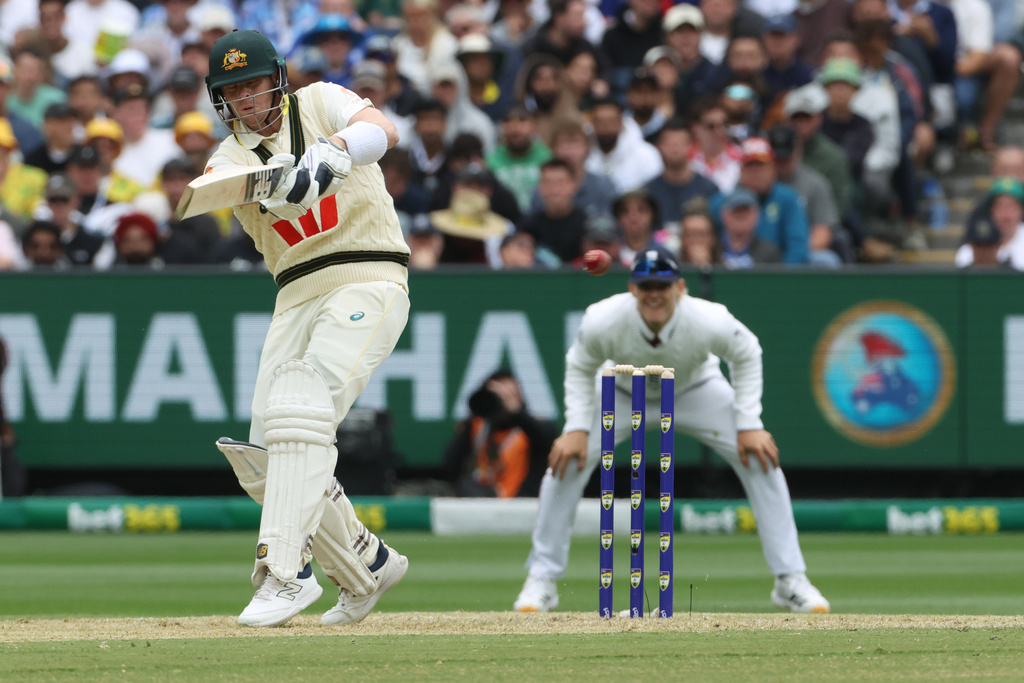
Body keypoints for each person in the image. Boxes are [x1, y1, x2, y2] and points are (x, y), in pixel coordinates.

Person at [203, 29, 411, 628]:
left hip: (368, 272)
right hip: (294, 294)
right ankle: (366, 565)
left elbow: (384, 130)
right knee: (267, 454)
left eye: (252, 85)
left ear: (277, 79)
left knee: (303, 411)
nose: (244, 100)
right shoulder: (229, 158)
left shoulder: (320, 101)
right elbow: (220, 193)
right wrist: (289, 178)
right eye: (230, 91)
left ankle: (285, 572)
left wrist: (337, 149)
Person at [512, 246, 830, 614]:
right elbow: (580, 365)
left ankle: (790, 579)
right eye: (645, 284)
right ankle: (542, 580)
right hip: (622, 389)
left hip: (693, 388)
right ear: (632, 288)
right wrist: (577, 428)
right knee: (564, 463)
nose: (653, 293)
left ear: (680, 287)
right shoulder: (603, 318)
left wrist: (748, 424)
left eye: (662, 285)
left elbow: (748, 353)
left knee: (761, 458)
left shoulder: (709, 318)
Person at [443, 369, 555, 498]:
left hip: (521, 504)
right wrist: (478, 410)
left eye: (509, 395)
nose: (502, 402)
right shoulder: (478, 427)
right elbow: (451, 466)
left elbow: (546, 441)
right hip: (483, 502)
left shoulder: (532, 428)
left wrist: (517, 411)